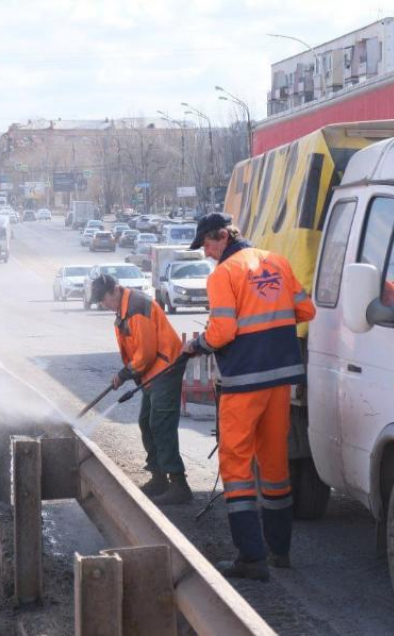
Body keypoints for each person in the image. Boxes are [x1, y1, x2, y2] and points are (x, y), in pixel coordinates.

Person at [183, 213, 316, 581]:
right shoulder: (277, 261)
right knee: (273, 464)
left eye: (208, 245)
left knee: (236, 467)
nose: (207, 254)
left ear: (223, 236)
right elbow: (306, 310)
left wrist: (199, 344)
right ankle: (279, 551)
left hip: (243, 381)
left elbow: (223, 331)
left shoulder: (224, 275)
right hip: (279, 382)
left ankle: (251, 558)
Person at [90, 274, 192, 505]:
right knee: (146, 421)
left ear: (115, 290)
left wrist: (124, 374)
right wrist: (126, 373)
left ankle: (178, 484)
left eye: (105, 299)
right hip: (152, 371)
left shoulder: (136, 307)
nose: (105, 305)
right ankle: (159, 478)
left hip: (165, 367)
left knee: (161, 423)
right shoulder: (124, 309)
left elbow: (145, 353)